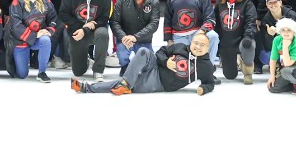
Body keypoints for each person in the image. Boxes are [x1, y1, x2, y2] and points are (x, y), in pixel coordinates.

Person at [73, 33, 216, 96]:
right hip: (155, 65)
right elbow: (161, 51)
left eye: (202, 45)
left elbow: (210, 83)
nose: (198, 47)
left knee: (119, 83)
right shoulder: (179, 47)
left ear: (207, 48)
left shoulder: (206, 66)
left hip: (158, 82)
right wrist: (166, 61)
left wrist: (203, 88)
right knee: (142, 51)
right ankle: (126, 84)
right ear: (191, 43)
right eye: (196, 43)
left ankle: (87, 88)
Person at [59, 0, 112, 81]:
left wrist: (86, 29)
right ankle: (84, 61)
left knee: (103, 33)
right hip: (77, 32)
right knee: (78, 72)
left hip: (95, 31)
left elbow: (103, 19)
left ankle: (98, 70)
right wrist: (81, 28)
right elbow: (63, 13)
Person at [5, 0, 58, 82]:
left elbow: (53, 18)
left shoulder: (45, 0)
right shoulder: (17, 1)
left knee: (46, 40)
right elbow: (16, 25)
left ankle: (42, 72)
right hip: (20, 41)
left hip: (38, 39)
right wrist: (34, 34)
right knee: (22, 74)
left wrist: (48, 31)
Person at [111, 0, 162, 72]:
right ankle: (125, 67)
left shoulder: (154, 1)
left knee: (148, 66)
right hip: (125, 39)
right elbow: (114, 22)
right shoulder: (121, 0)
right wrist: (124, 37)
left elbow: (154, 24)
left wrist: (135, 37)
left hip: (144, 40)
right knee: (122, 54)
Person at [214, 0, 258, 84]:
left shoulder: (247, 2)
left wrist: (248, 36)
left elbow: (251, 21)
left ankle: (248, 70)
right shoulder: (220, 2)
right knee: (230, 76)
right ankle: (236, 62)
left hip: (242, 40)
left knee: (248, 45)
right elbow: (216, 23)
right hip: (226, 43)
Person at [258, 0, 296, 71]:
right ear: (266, 5)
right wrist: (269, 35)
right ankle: (279, 65)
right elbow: (267, 46)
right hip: (280, 51)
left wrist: (295, 50)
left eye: (275, 2)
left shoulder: (291, 15)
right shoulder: (266, 21)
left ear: (280, 3)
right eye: (270, 3)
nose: (273, 5)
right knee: (264, 55)